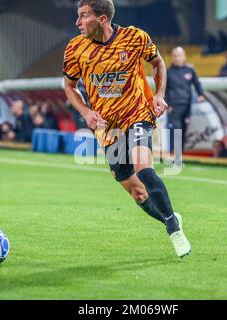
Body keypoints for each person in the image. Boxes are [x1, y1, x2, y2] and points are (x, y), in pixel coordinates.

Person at [63, 0, 190, 258]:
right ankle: (169, 217)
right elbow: (69, 86)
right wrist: (86, 111)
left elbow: (158, 63)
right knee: (137, 192)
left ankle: (175, 230)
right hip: (107, 128)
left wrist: (159, 94)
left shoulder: (134, 38)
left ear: (102, 19)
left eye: (83, 16)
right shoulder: (75, 48)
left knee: (144, 169)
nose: (77, 23)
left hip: (137, 114)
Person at [165, 47, 204, 152]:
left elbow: (197, 83)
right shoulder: (168, 72)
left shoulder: (190, 70)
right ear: (172, 58)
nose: (177, 58)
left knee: (183, 130)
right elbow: (165, 89)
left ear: (184, 57)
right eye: (175, 56)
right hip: (174, 106)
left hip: (187, 106)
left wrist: (201, 94)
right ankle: (174, 154)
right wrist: (167, 104)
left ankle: (180, 155)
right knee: (176, 130)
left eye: (179, 55)